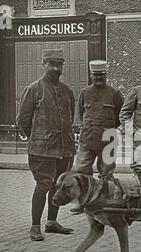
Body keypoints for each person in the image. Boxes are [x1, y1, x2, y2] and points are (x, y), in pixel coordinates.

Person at [17, 49, 76, 241]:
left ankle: (51, 222)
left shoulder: (67, 91)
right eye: (51, 64)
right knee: (43, 185)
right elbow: (23, 120)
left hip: (64, 149)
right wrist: (37, 138)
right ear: (43, 64)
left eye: (59, 64)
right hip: (42, 150)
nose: (56, 68)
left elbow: (70, 117)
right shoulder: (34, 89)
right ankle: (35, 226)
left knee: (58, 186)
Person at [71, 60, 124, 213]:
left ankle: (105, 201)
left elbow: (120, 115)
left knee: (106, 173)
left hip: (108, 140)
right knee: (81, 172)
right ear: (91, 75)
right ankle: (83, 202)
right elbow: (81, 114)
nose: (98, 77)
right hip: (87, 139)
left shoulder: (114, 93)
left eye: (101, 74)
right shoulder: (84, 93)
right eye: (95, 75)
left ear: (106, 74)